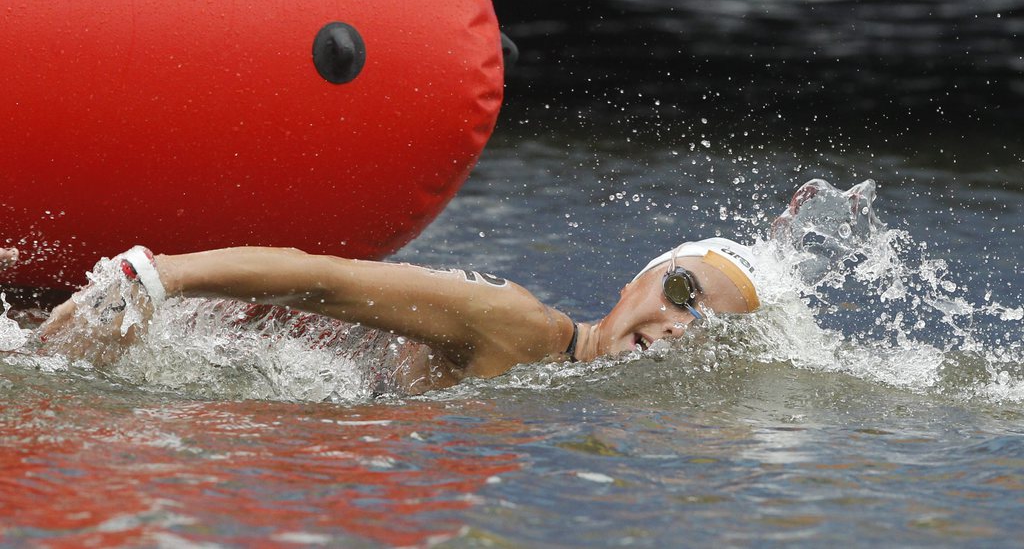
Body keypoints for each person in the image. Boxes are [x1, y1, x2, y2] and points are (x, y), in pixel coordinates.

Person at [2, 238, 761, 393]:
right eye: (683, 292)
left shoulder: (571, 377)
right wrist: (155, 279)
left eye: (706, 325)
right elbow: (325, 281)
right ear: (638, 280)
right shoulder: (521, 326)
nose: (678, 325)